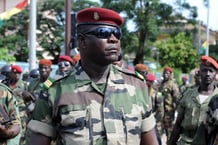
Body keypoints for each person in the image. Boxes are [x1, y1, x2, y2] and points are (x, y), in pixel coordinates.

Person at [27, 7, 158, 145]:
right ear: (82, 41)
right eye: (104, 33)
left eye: (117, 33)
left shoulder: (137, 85)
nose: (113, 39)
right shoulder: (55, 90)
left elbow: (149, 140)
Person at [167, 55, 218, 145]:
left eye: (211, 71)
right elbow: (178, 125)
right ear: (199, 72)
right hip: (185, 141)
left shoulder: (216, 98)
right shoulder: (188, 95)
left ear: (216, 73)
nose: (207, 74)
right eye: (205, 70)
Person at [158, 66, 180, 143]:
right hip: (160, 111)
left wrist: (177, 110)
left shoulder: (173, 85)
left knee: (169, 131)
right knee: (159, 130)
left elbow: (177, 98)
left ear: (170, 74)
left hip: (169, 112)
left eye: (167, 73)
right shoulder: (160, 84)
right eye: (164, 73)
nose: (165, 75)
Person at [145, 73, 163, 145]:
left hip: (154, 121)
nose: (146, 82)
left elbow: (160, 111)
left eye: (148, 81)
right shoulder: (142, 92)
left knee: (156, 139)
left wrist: (154, 121)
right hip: (143, 121)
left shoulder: (156, 95)